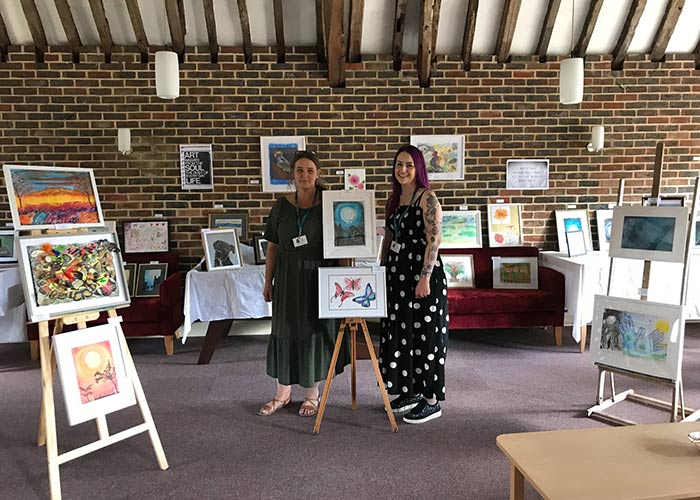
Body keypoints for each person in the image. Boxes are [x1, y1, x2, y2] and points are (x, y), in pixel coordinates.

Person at [259, 150, 350, 417]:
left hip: (319, 277)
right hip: (287, 278)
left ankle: (312, 394)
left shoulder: (330, 204)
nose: (305, 175)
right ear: (292, 175)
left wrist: (345, 283)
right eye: (299, 170)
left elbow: (344, 245)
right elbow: (273, 246)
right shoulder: (281, 206)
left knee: (313, 332)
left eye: (310, 170)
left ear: (317, 174)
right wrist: (268, 281)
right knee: (285, 331)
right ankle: (282, 394)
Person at [379, 144, 449, 424]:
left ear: (418, 168)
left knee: (427, 338)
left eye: (409, 164)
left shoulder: (426, 197)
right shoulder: (395, 199)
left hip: (422, 278)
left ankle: (431, 400)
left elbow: (435, 240)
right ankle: (411, 391)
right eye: (399, 164)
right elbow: (388, 237)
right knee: (402, 336)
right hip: (397, 276)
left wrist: (425, 277)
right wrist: (381, 270)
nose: (403, 170)